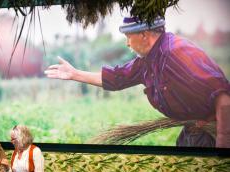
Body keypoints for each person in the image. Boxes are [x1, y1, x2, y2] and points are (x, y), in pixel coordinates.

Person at [45, 17, 230, 148]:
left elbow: (223, 97)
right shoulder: (147, 61)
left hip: (214, 135)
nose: (127, 44)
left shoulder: (177, 52)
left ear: (144, 34)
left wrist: (223, 141)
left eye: (128, 37)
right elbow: (116, 78)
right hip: (193, 132)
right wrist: (74, 74)